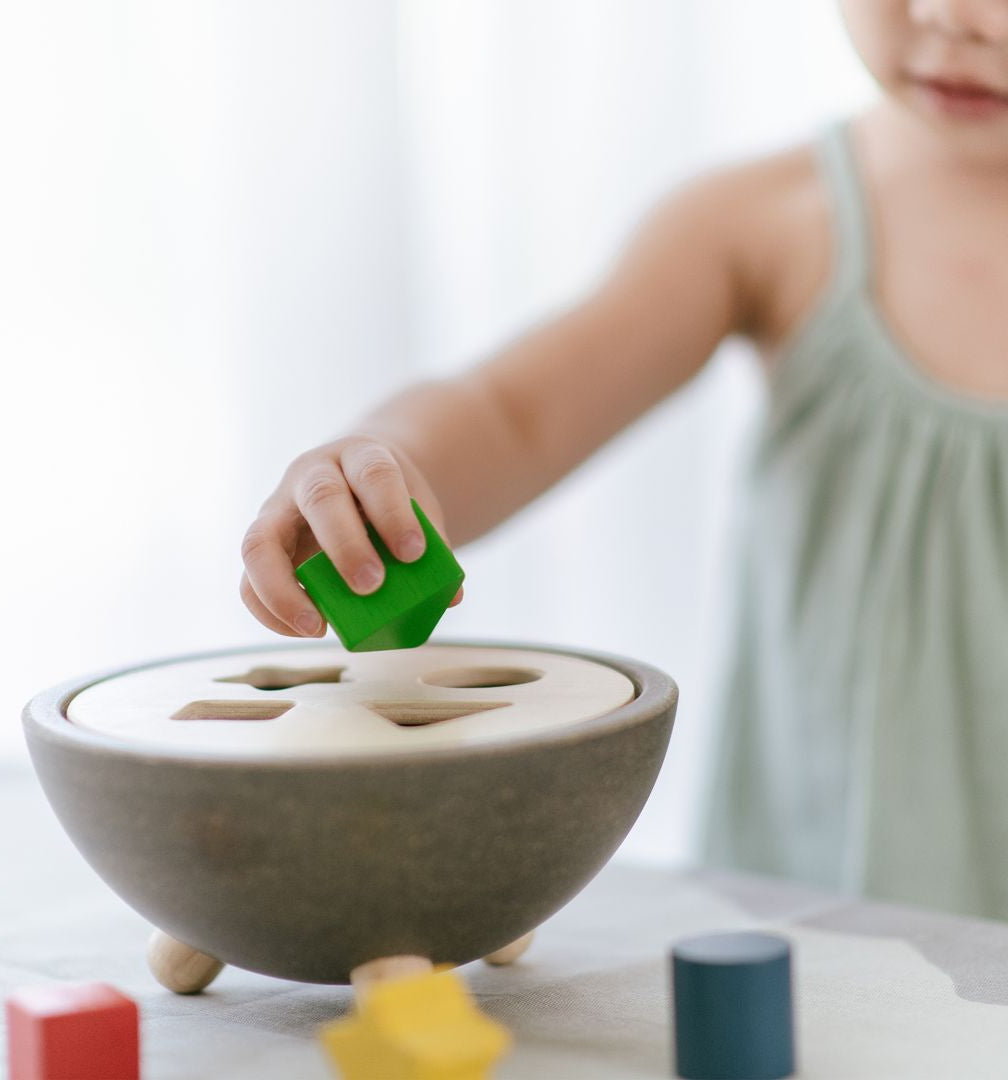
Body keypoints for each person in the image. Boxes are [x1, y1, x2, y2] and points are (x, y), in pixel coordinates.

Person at [239, 0, 1008, 919]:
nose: (955, 17)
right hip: (839, 913)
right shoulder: (768, 221)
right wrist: (385, 462)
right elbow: (513, 415)